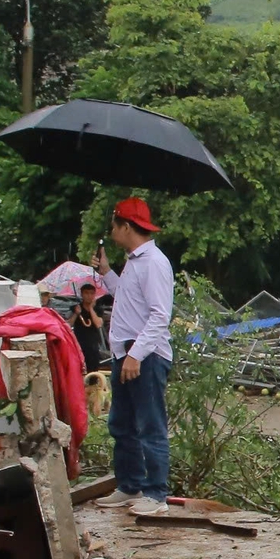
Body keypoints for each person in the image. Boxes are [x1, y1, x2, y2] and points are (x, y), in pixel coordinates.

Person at [92, 199, 175, 513]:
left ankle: (156, 495)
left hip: (145, 355)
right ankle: (130, 485)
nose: (111, 232)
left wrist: (136, 355)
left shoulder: (153, 262)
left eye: (114, 226)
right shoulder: (134, 261)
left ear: (126, 226)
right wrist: (106, 273)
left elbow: (158, 316)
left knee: (150, 424)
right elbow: (127, 299)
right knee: (121, 423)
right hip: (124, 352)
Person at [72, 281, 111, 372]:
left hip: (93, 344)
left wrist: (91, 309)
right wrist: (76, 314)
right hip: (79, 344)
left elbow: (98, 324)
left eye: (91, 293)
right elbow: (69, 324)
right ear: (82, 294)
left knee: (93, 369)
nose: (89, 296)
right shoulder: (77, 307)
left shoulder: (98, 309)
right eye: (86, 293)